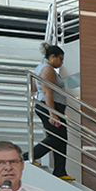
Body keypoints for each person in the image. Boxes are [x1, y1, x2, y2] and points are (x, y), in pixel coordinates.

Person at [30, 44, 71, 180]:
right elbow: (48, 93)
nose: (61, 62)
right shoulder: (48, 69)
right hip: (51, 107)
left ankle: (60, 171)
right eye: (60, 59)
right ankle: (28, 156)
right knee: (57, 138)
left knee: (60, 139)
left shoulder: (40, 68)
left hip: (47, 107)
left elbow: (35, 88)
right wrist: (53, 114)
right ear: (52, 57)